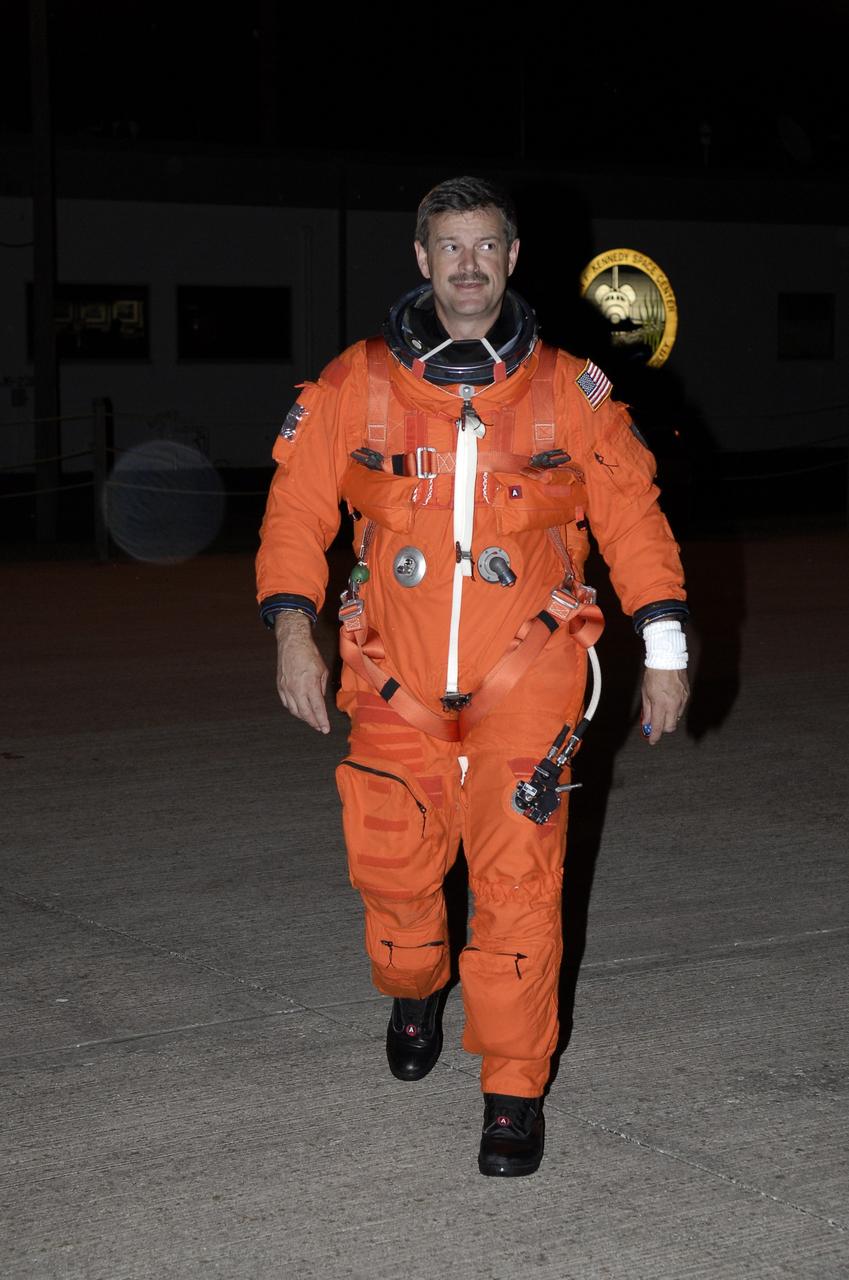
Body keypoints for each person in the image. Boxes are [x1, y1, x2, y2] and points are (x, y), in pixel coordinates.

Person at [255, 175, 689, 1177]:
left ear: (512, 256)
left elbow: (633, 517)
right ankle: (415, 986)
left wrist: (663, 648)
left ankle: (513, 1089)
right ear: (420, 259)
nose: (466, 263)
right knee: (397, 878)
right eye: (448, 246)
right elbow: (295, 511)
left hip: (526, 681)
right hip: (391, 679)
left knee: (520, 892)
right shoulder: (358, 385)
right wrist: (292, 629)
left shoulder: (566, 390)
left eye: (484, 245)